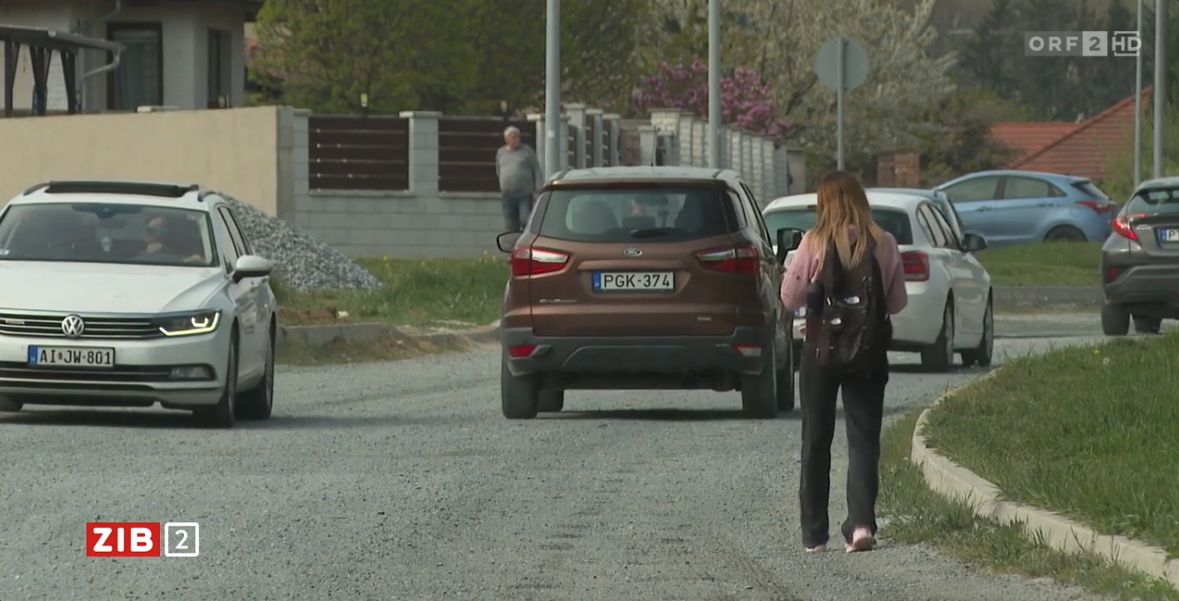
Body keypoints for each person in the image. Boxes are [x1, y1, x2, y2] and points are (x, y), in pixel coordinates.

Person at [779, 171, 908, 554]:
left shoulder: (813, 242)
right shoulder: (884, 243)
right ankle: (861, 525)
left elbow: (789, 298)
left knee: (816, 439)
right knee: (864, 440)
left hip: (821, 351)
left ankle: (814, 535)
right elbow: (897, 303)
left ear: (825, 204)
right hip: (869, 353)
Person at [495, 126, 543, 232]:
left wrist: (538, 189)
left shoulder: (527, 151)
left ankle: (525, 239)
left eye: (518, 137)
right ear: (506, 139)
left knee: (525, 219)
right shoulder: (501, 152)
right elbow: (499, 170)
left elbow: (536, 169)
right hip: (507, 194)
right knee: (510, 222)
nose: (517, 139)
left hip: (524, 193)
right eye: (513, 137)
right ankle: (512, 244)